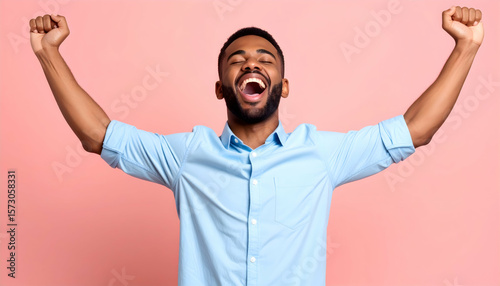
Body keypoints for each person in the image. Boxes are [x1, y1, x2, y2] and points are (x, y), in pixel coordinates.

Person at [30, 6, 483, 286]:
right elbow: (99, 135)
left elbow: (415, 130)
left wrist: (465, 48)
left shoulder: (321, 155)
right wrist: (49, 53)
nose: (252, 63)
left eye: (265, 60)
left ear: (282, 87)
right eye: (237, 60)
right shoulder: (187, 156)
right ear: (220, 86)